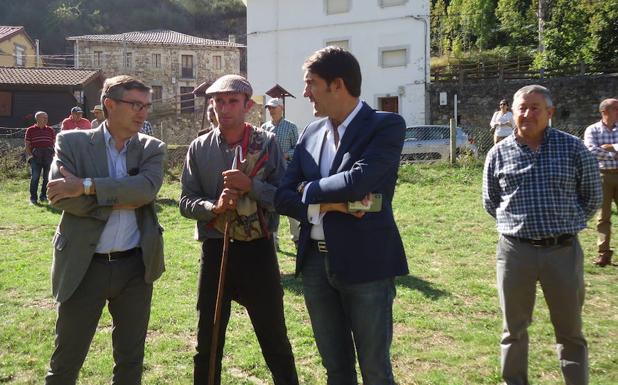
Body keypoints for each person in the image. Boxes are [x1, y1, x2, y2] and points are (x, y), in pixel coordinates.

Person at [275, 46, 408, 385]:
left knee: (375, 370)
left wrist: (308, 191)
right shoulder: (309, 132)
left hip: (366, 263)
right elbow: (281, 196)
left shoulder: (385, 125)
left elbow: (357, 181)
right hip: (315, 267)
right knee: (336, 369)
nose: (305, 93)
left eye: (311, 83)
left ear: (337, 84)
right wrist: (327, 202)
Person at [44, 75, 166, 385]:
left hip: (135, 267)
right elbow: (60, 197)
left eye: (147, 106)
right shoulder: (70, 141)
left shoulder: (152, 148)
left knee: (130, 363)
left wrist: (85, 186)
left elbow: (146, 192)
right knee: (66, 361)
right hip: (84, 266)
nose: (143, 112)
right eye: (135, 105)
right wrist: (122, 196)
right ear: (109, 105)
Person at [179, 74, 299, 385]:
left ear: (247, 105)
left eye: (233, 101)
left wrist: (251, 186)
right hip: (215, 249)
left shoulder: (267, 144)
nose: (225, 107)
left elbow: (285, 198)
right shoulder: (198, 148)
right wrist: (214, 207)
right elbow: (185, 201)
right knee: (208, 339)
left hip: (258, 249)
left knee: (274, 338)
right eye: (219, 101)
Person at [483, 85, 601, 385]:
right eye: (522, 107)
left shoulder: (574, 149)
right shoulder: (498, 153)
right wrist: (518, 226)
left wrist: (564, 224)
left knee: (570, 331)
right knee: (513, 330)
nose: (527, 113)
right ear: (512, 111)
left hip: (562, 251)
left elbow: (591, 197)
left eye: (535, 108)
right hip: (515, 253)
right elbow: (491, 201)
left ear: (550, 112)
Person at [261, 97, 300, 249]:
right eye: (269, 108)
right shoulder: (264, 127)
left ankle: (297, 239)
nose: (271, 110)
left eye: (273, 107)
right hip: (269, 174)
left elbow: (298, 148)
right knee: (271, 206)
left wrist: (285, 154)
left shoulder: (291, 127)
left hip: (287, 173)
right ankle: (273, 241)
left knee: (290, 205)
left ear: (281, 108)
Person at [583, 98, 618, 267]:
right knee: (603, 217)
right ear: (605, 111)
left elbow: (599, 151)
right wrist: (615, 152)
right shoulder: (593, 130)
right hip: (602, 176)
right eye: (616, 109)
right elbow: (590, 150)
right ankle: (604, 253)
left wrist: (610, 147)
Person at [24, 110, 55, 204]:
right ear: (37, 118)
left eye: (46, 117)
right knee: (35, 177)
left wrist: (54, 154)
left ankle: (43, 196)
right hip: (35, 156)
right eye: (44, 117)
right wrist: (30, 156)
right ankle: (33, 198)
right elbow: (27, 144)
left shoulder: (50, 130)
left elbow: (54, 144)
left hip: (48, 156)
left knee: (47, 178)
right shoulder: (30, 130)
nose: (46, 119)